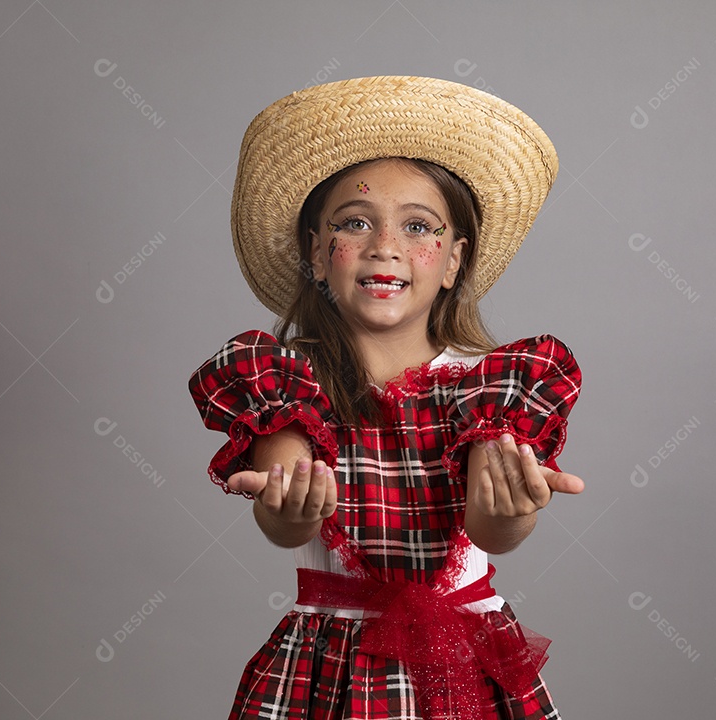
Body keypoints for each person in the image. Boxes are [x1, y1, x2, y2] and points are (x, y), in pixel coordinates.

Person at [189, 76, 584, 720]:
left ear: (454, 261)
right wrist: (290, 505)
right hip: (330, 661)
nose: (385, 246)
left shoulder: (496, 385)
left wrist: (515, 505)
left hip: (464, 660)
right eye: (354, 223)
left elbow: (492, 529)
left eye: (418, 226)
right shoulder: (284, 381)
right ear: (318, 254)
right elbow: (289, 521)